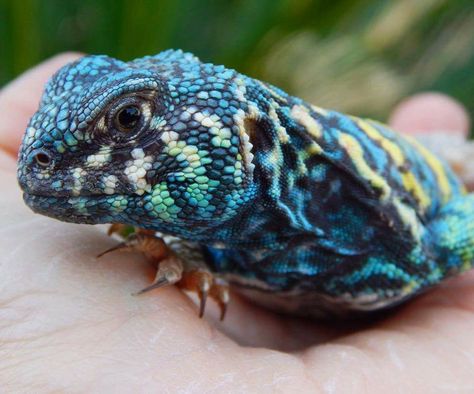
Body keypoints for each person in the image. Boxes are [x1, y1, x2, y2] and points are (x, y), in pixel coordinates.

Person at [0, 53, 472, 391]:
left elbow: (458, 230)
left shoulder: (398, 247)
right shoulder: (197, 234)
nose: (35, 159)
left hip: (422, 172)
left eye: (128, 120)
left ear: (247, 136)